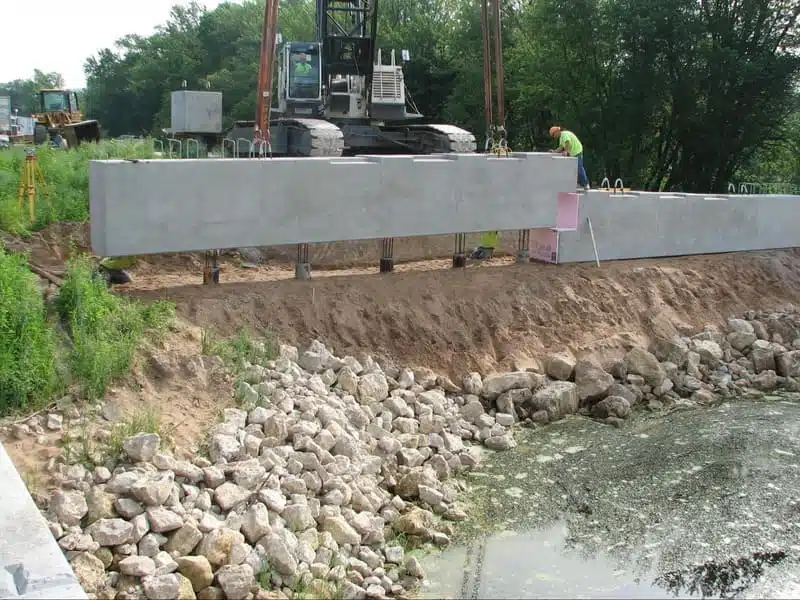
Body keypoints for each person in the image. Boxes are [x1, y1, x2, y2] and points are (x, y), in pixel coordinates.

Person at [549, 125, 589, 191]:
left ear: (557, 132)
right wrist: (554, 151)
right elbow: (561, 147)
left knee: (579, 167)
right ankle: (580, 183)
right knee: (573, 169)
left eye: (553, 135)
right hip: (573, 153)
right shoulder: (561, 137)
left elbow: (568, 143)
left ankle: (586, 184)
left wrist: (566, 151)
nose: (554, 137)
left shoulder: (564, 135)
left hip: (577, 151)